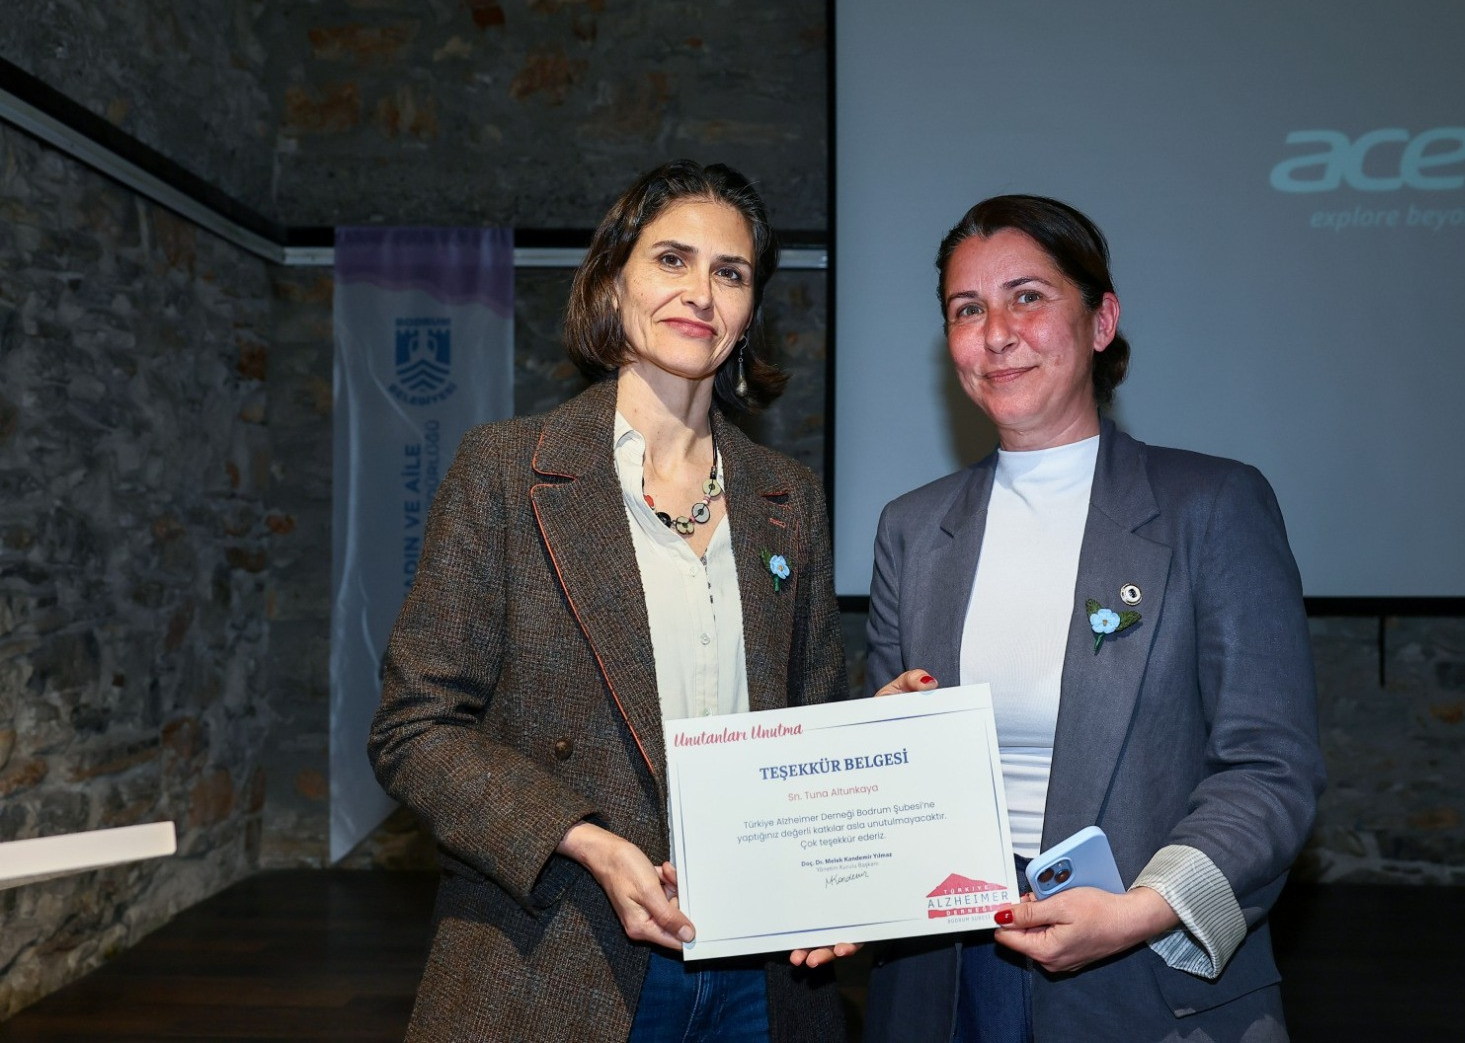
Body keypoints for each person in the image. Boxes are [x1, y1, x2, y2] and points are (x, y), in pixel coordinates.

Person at [368, 160, 850, 1043]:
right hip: (559, 949)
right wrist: (582, 837)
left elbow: (810, 724)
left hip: (764, 973)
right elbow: (414, 729)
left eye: (730, 272)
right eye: (671, 259)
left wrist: (878, 748)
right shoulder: (505, 472)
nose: (700, 292)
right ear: (612, 283)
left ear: (748, 313)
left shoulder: (791, 499)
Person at [860, 195, 1324, 1042]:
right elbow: (890, 779)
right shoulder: (912, 529)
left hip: (1142, 978)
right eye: (967, 309)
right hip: (941, 980)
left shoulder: (1211, 505)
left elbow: (1269, 769)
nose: (998, 333)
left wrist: (1143, 910)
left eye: (1028, 297)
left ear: (1102, 321)